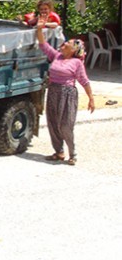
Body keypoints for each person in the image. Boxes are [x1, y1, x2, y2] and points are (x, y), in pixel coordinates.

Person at [35, 17, 95, 166]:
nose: (64, 43)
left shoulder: (76, 63)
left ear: (74, 50)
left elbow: (84, 81)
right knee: (53, 123)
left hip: (67, 94)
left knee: (66, 125)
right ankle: (59, 152)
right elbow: (43, 44)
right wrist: (39, 29)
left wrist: (91, 98)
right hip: (53, 91)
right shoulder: (57, 56)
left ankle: (72, 153)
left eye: (68, 43)